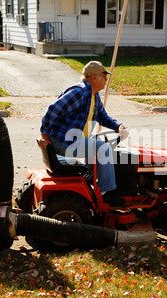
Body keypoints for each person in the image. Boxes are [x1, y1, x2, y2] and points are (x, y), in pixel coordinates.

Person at [39, 61, 129, 206]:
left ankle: (91, 179)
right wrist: (44, 135)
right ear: (94, 78)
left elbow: (102, 117)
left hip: (73, 140)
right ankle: (107, 193)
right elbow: (52, 110)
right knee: (104, 149)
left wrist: (119, 126)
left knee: (95, 143)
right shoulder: (80, 92)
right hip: (64, 142)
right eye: (104, 76)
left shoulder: (93, 95)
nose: (106, 80)